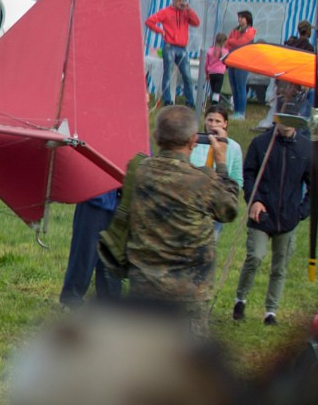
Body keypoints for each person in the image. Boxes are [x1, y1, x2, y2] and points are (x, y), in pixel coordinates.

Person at [99, 104, 242, 316]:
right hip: (189, 291)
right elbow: (228, 210)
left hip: (144, 284)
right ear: (194, 141)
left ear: (156, 137)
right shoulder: (201, 180)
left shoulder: (138, 170)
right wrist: (221, 164)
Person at [234, 112, 312, 325]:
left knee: (280, 266)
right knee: (255, 257)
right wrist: (254, 200)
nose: (286, 125)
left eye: (292, 121)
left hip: (288, 218)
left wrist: (301, 212)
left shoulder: (307, 148)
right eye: (283, 120)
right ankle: (240, 299)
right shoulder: (261, 143)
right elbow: (248, 175)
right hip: (261, 214)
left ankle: (271, 312)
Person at [59, 189, 123, 307]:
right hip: (96, 196)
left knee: (112, 258)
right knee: (84, 252)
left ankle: (110, 304)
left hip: (121, 199)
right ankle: (71, 300)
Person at [144, 0, 200, 108]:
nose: (181, 3)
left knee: (187, 75)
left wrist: (189, 10)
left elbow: (196, 23)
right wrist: (161, 32)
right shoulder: (166, 12)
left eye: (183, 1)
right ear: (173, 0)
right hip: (170, 45)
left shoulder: (185, 12)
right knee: (168, 74)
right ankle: (168, 100)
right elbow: (149, 21)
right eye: (179, 1)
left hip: (182, 47)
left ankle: (190, 101)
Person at [192, 105, 243, 187]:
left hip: (220, 190)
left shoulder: (234, 147)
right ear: (205, 121)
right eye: (210, 120)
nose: (213, 124)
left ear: (225, 124)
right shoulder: (195, 141)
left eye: (217, 121)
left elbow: (237, 180)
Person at [224, 10, 258, 116]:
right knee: (234, 87)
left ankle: (241, 112)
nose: (239, 20)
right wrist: (232, 42)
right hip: (232, 60)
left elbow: (241, 42)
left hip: (243, 61)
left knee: (241, 87)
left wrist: (232, 41)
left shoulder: (251, 30)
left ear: (247, 19)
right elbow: (227, 43)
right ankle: (236, 110)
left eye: (242, 17)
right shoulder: (235, 30)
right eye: (239, 17)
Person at [204, 32, 230, 105]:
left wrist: (206, 73)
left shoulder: (210, 50)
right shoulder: (226, 51)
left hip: (211, 72)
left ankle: (213, 102)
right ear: (224, 41)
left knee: (213, 89)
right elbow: (227, 63)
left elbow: (206, 63)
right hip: (220, 73)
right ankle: (215, 104)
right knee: (217, 91)